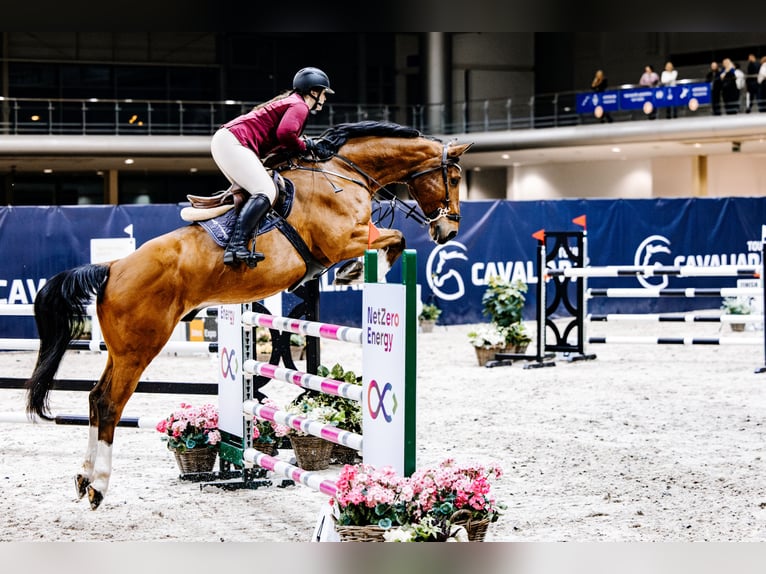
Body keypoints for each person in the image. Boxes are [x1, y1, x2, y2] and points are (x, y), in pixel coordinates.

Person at [210, 66, 334, 267]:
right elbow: (285, 135)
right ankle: (236, 245)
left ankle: (236, 240)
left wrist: (303, 144)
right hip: (233, 143)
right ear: (314, 91)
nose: (325, 99)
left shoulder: (292, 102)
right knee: (266, 190)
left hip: (227, 141)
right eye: (324, 93)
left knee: (252, 192)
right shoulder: (300, 105)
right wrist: (306, 145)